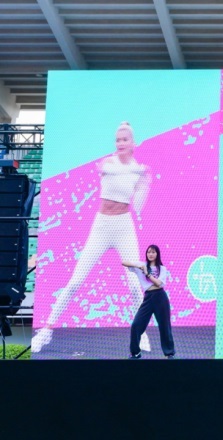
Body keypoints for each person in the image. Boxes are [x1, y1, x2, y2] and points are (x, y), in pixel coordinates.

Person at [32, 122, 151, 353]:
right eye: (117, 140)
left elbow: (137, 206)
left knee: (134, 285)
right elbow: (110, 171)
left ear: (133, 143)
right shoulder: (110, 163)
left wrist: (145, 182)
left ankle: (141, 332)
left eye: (125, 139)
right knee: (75, 281)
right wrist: (138, 171)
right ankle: (46, 331)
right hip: (101, 227)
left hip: (124, 228)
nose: (120, 143)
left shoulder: (137, 170)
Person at [124, 245, 175, 359]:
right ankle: (135, 353)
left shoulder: (162, 268)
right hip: (148, 298)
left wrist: (147, 273)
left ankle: (169, 353)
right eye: (149, 252)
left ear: (157, 254)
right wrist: (138, 265)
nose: (151, 254)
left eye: (153, 252)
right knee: (136, 325)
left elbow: (159, 283)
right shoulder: (142, 266)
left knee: (165, 326)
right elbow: (124, 262)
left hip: (160, 297)